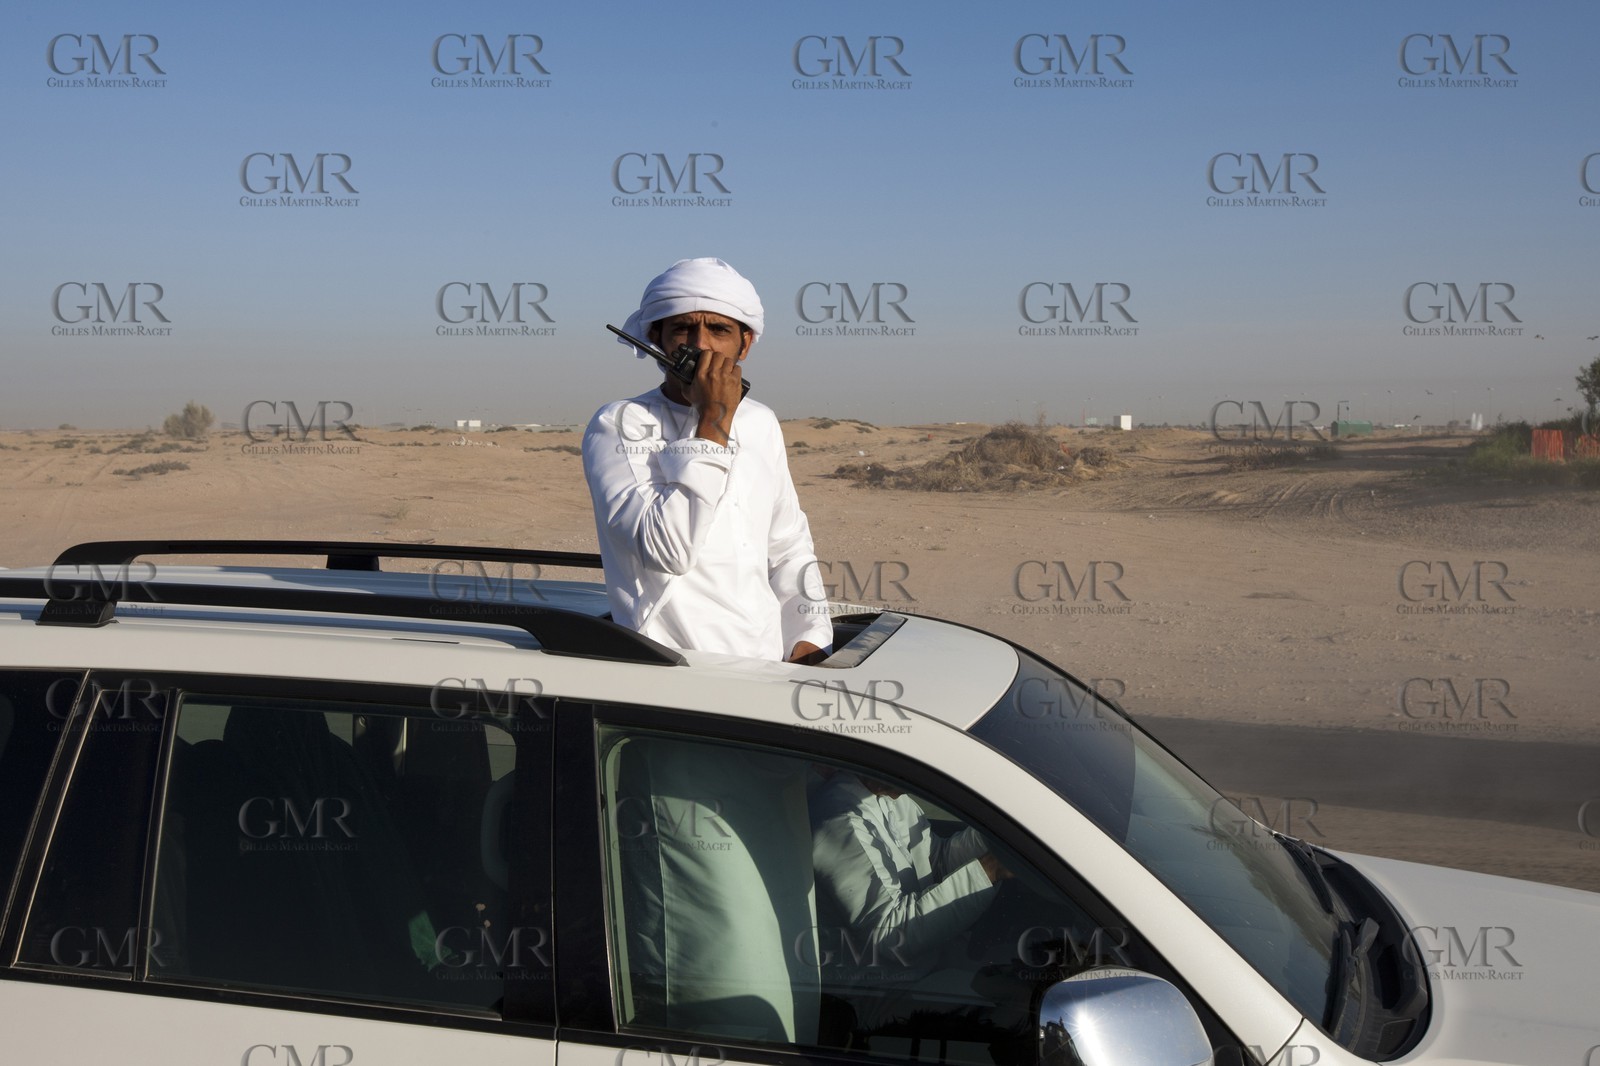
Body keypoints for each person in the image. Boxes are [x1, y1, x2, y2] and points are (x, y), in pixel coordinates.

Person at [582, 258, 833, 661]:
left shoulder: (760, 422)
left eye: (719, 329)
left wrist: (811, 634)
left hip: (767, 662)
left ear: (745, 344)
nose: (701, 345)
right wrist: (713, 420)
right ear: (657, 339)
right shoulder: (620, 423)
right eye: (683, 328)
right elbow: (669, 551)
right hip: (674, 669)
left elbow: (787, 545)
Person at [808, 770, 1009, 1030]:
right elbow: (891, 935)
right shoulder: (839, 821)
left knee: (1020, 981)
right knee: (1013, 1008)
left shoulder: (893, 798)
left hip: (926, 967)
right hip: (873, 992)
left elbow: (935, 865)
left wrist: (993, 834)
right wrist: (989, 869)